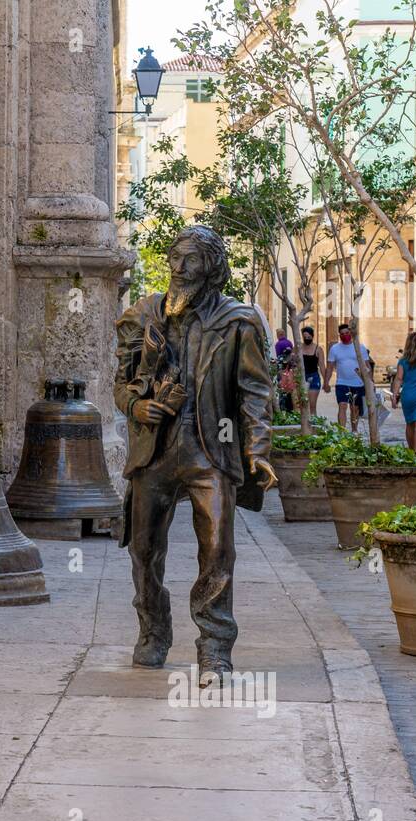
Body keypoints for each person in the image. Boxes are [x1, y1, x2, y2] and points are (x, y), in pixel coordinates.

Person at [114, 225, 275, 684]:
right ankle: (153, 629)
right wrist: (136, 404)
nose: (178, 268)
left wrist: (257, 449)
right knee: (143, 549)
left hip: (210, 450)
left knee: (218, 549)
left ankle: (215, 647)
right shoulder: (142, 316)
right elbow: (119, 384)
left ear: (213, 267)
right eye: (174, 258)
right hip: (155, 451)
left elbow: (255, 392)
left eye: (190, 260)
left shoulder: (237, 322)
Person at [323, 323, 371, 432]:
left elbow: (367, 366)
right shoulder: (335, 349)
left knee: (355, 408)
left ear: (351, 333)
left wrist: (370, 382)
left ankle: (354, 430)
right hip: (342, 383)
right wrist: (326, 382)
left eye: (347, 333)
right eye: (342, 334)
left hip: (358, 383)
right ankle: (342, 432)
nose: (345, 335)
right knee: (342, 405)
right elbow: (329, 367)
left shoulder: (360, 347)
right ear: (339, 335)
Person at [299, 325, 323, 416]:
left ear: (312, 336)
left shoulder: (318, 349)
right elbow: (292, 361)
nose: (306, 339)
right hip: (301, 377)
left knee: (312, 405)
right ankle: (304, 425)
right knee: (302, 405)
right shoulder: (299, 347)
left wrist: (326, 382)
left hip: (313, 377)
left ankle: (313, 425)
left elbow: (321, 365)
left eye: (308, 337)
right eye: (305, 337)